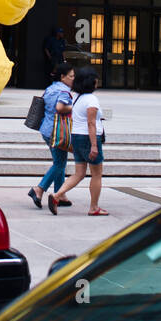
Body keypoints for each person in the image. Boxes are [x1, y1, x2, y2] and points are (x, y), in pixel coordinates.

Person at [49, 66, 107, 216]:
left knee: (79, 173)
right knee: (96, 174)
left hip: (76, 137)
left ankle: (56, 195)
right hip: (89, 138)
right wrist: (94, 145)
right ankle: (94, 207)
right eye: (95, 78)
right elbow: (91, 123)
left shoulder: (76, 97)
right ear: (91, 81)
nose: (97, 81)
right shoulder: (92, 99)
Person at [28, 63, 74, 210]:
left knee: (60, 161)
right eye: (71, 76)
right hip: (57, 131)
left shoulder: (51, 88)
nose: (73, 79)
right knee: (60, 163)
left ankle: (60, 194)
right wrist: (76, 107)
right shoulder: (64, 91)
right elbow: (60, 108)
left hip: (46, 130)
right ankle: (39, 189)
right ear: (62, 77)